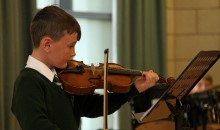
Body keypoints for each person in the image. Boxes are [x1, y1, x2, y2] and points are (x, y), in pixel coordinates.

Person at [11, 5, 159, 130]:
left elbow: (94, 106)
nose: (74, 53)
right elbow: (38, 126)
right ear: (47, 44)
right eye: (70, 46)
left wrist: (133, 89)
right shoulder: (28, 81)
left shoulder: (61, 78)